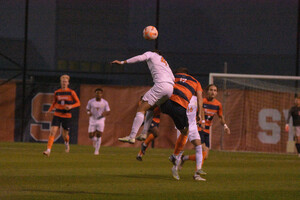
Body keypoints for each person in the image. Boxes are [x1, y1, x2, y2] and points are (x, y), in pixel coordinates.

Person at [111, 50, 174, 144]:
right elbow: (173, 78)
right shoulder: (164, 62)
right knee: (150, 109)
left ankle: (131, 136)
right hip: (170, 89)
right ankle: (144, 133)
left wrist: (123, 62)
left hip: (161, 85)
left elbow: (139, 58)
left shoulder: (152, 54)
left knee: (141, 108)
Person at [159, 67, 205, 180]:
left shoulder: (193, 96)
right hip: (182, 125)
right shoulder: (177, 95)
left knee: (199, 146)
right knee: (180, 151)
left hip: (192, 125)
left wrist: (201, 119)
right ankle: (175, 168)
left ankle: (197, 172)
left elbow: (200, 104)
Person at [181, 84, 230, 167]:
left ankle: (184, 158)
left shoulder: (218, 105)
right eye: (211, 90)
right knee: (203, 150)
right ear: (207, 91)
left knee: (205, 156)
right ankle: (197, 173)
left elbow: (221, 117)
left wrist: (225, 126)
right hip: (199, 129)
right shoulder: (201, 101)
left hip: (207, 131)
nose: (213, 92)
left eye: (215, 90)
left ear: (217, 93)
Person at [43, 75, 80, 157]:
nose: (64, 83)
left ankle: (67, 143)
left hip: (67, 115)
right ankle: (48, 150)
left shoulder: (71, 92)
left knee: (65, 135)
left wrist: (71, 106)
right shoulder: (57, 92)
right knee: (52, 132)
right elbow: (54, 103)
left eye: (65, 81)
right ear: (61, 82)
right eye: (63, 81)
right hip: (57, 114)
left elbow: (78, 102)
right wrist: (49, 110)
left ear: (68, 83)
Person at [175, 95, 206, 181]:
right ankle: (175, 168)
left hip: (193, 127)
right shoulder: (180, 96)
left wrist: (202, 121)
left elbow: (201, 109)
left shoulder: (196, 98)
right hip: (182, 127)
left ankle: (197, 174)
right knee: (180, 149)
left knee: (199, 146)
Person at [86, 88, 110, 155]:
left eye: (99, 93)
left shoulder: (105, 102)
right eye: (97, 93)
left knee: (99, 135)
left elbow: (108, 111)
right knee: (90, 136)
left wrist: (104, 114)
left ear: (101, 94)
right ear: (95, 94)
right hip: (92, 119)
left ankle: (96, 151)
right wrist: (88, 113)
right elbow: (87, 109)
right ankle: (95, 141)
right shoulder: (91, 101)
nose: (98, 94)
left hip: (101, 119)